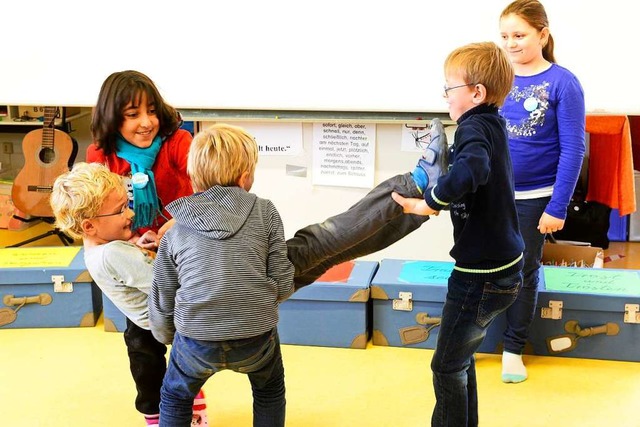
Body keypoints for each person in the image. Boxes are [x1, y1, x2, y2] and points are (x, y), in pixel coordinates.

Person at [392, 42, 525, 427]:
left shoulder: (471, 128)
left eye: (449, 89)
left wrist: (430, 202)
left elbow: (472, 172)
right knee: (460, 359)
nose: (446, 97)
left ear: (476, 93)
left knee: (446, 365)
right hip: (504, 266)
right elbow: (473, 176)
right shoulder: (492, 123)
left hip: (480, 277)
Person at [50, 162, 208, 427]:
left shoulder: (101, 248)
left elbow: (128, 265)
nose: (131, 213)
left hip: (139, 321)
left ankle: (163, 414)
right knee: (177, 376)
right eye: (120, 209)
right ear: (89, 226)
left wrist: (138, 247)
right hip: (159, 319)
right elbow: (164, 283)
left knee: (149, 376)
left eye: (127, 204)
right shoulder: (114, 254)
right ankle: (187, 417)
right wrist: (172, 245)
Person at [498, 0, 586, 384]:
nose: (511, 44)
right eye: (504, 36)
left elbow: (573, 148)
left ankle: (513, 349)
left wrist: (558, 205)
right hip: (490, 194)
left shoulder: (563, 83)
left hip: (535, 200)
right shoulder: (497, 75)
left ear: (542, 35)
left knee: (523, 272)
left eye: (519, 35)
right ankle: (475, 340)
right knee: (483, 269)